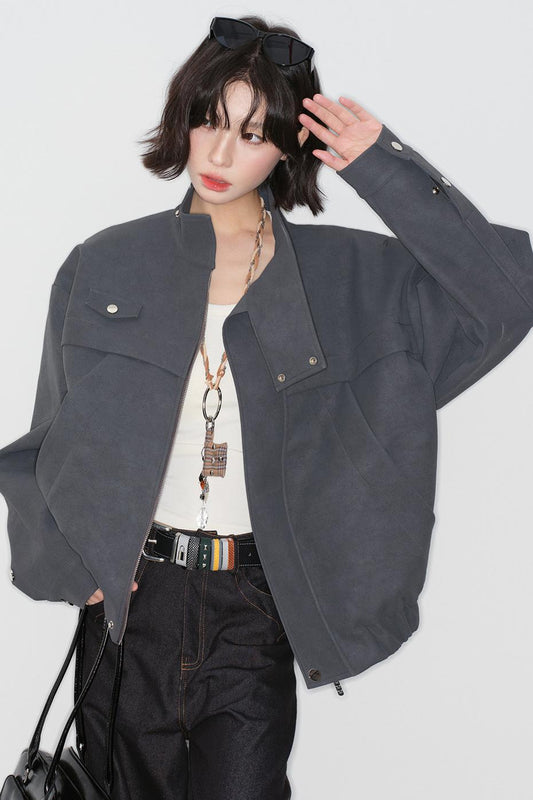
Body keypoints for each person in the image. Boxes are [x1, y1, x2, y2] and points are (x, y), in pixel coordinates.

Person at [1, 13, 532, 800]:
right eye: (208, 121)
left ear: (289, 145)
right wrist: (68, 565)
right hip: (131, 604)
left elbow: (506, 294)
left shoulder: (352, 281)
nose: (219, 154)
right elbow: (48, 431)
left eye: (252, 133)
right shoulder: (105, 264)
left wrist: (382, 168)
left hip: (254, 605)